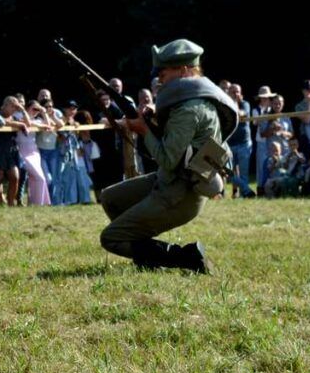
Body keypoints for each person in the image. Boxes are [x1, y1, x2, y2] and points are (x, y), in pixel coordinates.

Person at [98, 39, 238, 273]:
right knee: (111, 198)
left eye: (164, 73)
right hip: (168, 181)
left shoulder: (189, 110)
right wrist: (152, 122)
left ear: (184, 70)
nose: (160, 78)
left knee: (110, 238)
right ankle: (150, 256)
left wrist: (143, 130)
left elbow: (167, 158)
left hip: (179, 194)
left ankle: (188, 257)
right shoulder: (192, 101)